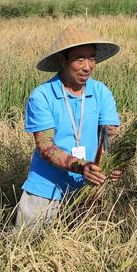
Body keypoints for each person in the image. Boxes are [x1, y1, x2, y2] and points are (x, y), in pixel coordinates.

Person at [15, 26, 122, 230]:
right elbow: (45, 147)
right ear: (63, 61)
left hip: (88, 189)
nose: (87, 66)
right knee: (27, 250)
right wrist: (81, 166)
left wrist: (118, 163)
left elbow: (112, 136)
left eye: (92, 58)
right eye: (79, 59)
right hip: (46, 188)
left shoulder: (101, 92)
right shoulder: (43, 96)